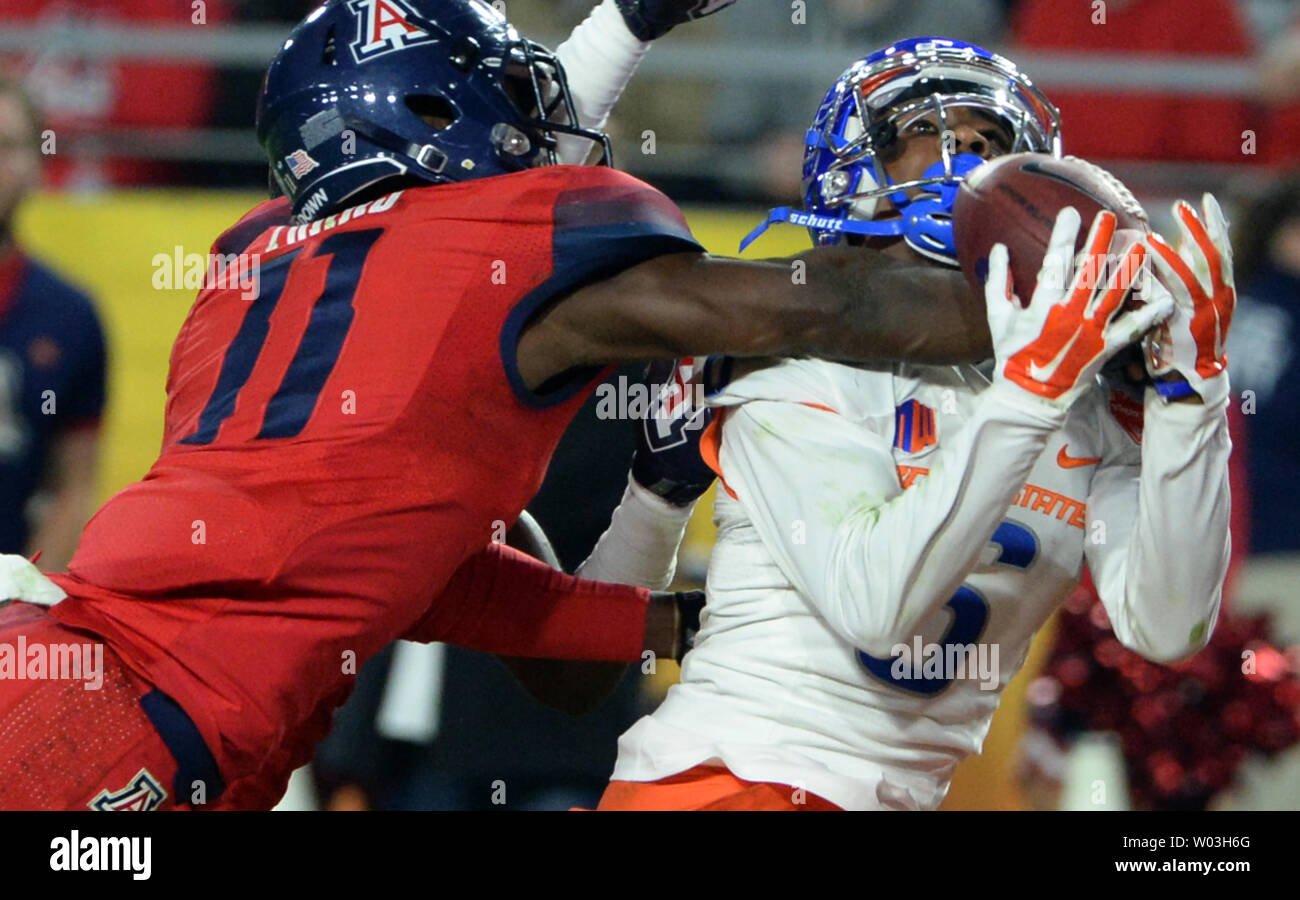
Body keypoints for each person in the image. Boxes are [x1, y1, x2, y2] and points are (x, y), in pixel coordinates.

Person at [0, 1, 1000, 811]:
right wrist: (1090, 300)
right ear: (436, 118)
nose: (543, 122)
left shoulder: (250, 267)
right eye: (507, 96)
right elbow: (833, 305)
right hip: (117, 738)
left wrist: (715, 622)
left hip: (66, 680)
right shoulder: (513, 247)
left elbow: (436, 583)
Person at [583, 38, 1233, 811]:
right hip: (735, 778)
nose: (961, 159)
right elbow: (876, 607)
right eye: (926, 137)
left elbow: (1165, 627)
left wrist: (1195, 403)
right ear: (852, 170)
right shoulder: (793, 353)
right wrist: (1029, 396)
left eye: (988, 142)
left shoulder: (1079, 388)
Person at [0, 74, 105, 573]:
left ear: (37, 165)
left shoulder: (70, 317)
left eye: (6, 145)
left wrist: (20, 605)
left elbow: (72, 487)